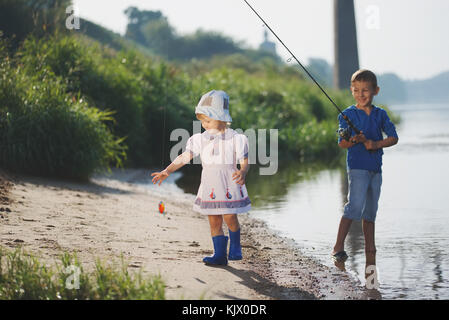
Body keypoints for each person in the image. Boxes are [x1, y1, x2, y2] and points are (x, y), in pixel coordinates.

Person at [151, 90, 251, 266]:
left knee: (229, 217)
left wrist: (242, 172)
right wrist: (168, 170)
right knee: (213, 220)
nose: (204, 125)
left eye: (207, 120)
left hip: (229, 183)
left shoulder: (236, 138)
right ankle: (219, 254)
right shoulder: (199, 139)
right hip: (210, 185)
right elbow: (184, 157)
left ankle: (235, 245)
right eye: (202, 121)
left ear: (221, 118)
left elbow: (245, 161)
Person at [331, 69, 398, 277]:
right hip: (357, 167)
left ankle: (371, 250)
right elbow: (342, 143)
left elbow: (393, 137)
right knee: (355, 206)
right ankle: (338, 247)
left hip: (376, 169)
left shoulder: (381, 114)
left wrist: (375, 143)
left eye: (366, 90)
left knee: (370, 211)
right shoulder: (346, 115)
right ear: (352, 91)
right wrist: (355, 140)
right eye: (357, 90)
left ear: (375, 90)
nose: (361, 94)